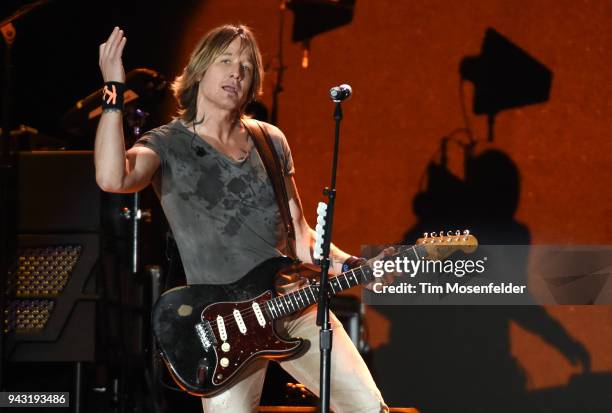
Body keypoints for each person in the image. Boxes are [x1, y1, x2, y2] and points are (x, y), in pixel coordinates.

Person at [95, 24, 389, 412]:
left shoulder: (270, 140)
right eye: (227, 60)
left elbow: (300, 236)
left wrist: (354, 265)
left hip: (295, 304)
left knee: (368, 406)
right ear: (200, 68)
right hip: (226, 326)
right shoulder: (167, 143)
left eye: (247, 67)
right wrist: (113, 91)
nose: (237, 72)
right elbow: (112, 177)